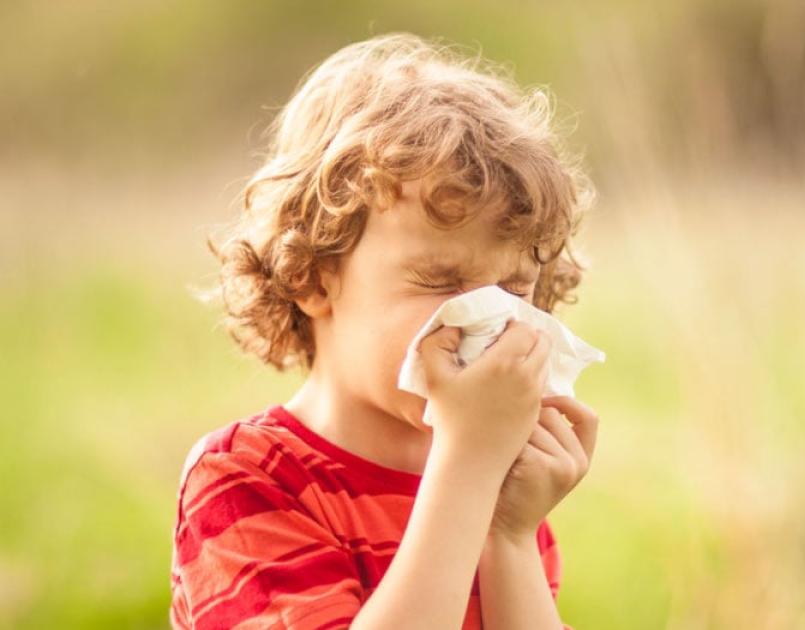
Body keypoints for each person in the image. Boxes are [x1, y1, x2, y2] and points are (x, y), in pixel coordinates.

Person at [169, 32, 599, 630]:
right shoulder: (248, 481)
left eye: (515, 288)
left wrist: (510, 536)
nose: (489, 320)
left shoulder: (505, 491)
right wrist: (470, 464)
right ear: (312, 277)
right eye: (440, 281)